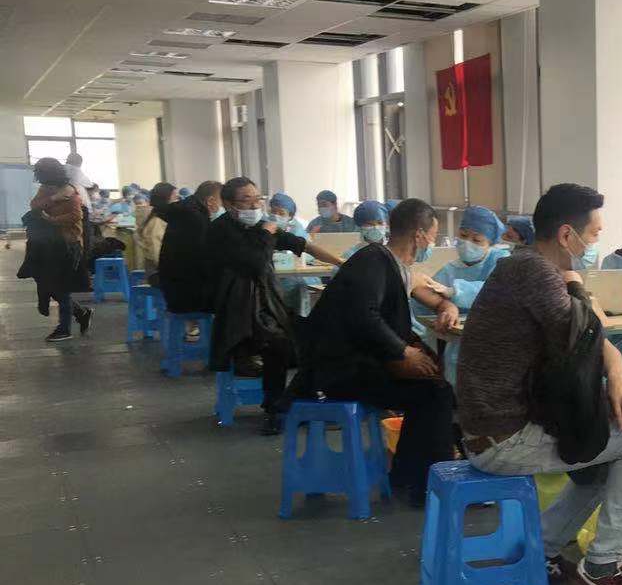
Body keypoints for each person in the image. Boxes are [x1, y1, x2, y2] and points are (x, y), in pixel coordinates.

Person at [457, 183, 622, 585]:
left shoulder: (522, 266)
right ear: (567, 235)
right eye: (594, 234)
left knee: (600, 456)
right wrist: (580, 289)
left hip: (487, 427)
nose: (595, 243)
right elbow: (587, 336)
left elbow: (588, 340)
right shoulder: (538, 275)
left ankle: (541, 547)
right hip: (500, 439)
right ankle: (605, 565)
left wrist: (614, 367)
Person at [295, 198, 459, 504]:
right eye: (433, 236)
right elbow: (363, 316)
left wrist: (447, 306)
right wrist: (403, 352)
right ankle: (428, 487)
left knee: (434, 389)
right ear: (419, 236)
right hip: (339, 373)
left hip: (362, 365)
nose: (432, 243)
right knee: (436, 393)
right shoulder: (373, 262)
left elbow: (432, 297)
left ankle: (407, 477)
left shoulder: (394, 266)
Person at [205, 177, 343, 434]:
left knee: (319, 336)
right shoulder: (220, 231)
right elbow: (255, 262)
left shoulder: (260, 227)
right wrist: (266, 233)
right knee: (279, 346)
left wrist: (342, 263)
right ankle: (275, 410)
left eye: (257, 199)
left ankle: (294, 402)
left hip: (267, 311)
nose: (255, 205)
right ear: (228, 204)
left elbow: (301, 244)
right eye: (247, 200)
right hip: (238, 319)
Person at [17, 157, 92, 342]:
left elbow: (76, 216)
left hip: (68, 245)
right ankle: (80, 313)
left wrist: (52, 220)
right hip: (49, 244)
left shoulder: (70, 191)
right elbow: (34, 205)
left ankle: (64, 329)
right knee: (46, 282)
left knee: (60, 286)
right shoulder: (46, 189)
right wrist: (53, 199)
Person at [157, 180, 223, 314]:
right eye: (222, 202)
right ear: (210, 201)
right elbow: (203, 257)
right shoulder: (196, 218)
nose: (223, 207)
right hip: (186, 291)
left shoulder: (184, 210)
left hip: (172, 284)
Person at [135, 182, 177, 276]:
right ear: (166, 198)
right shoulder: (158, 220)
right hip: (158, 270)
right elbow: (156, 248)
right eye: (174, 197)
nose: (176, 200)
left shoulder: (158, 215)